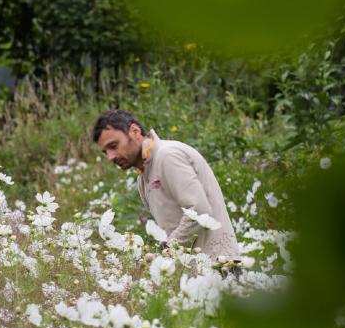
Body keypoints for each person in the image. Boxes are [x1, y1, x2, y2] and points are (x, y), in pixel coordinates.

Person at [91, 109, 241, 260]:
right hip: (196, 271)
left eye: (114, 145)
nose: (110, 157)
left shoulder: (167, 155)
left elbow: (199, 209)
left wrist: (168, 252)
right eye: (105, 152)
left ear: (134, 131)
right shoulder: (143, 176)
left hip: (219, 267)